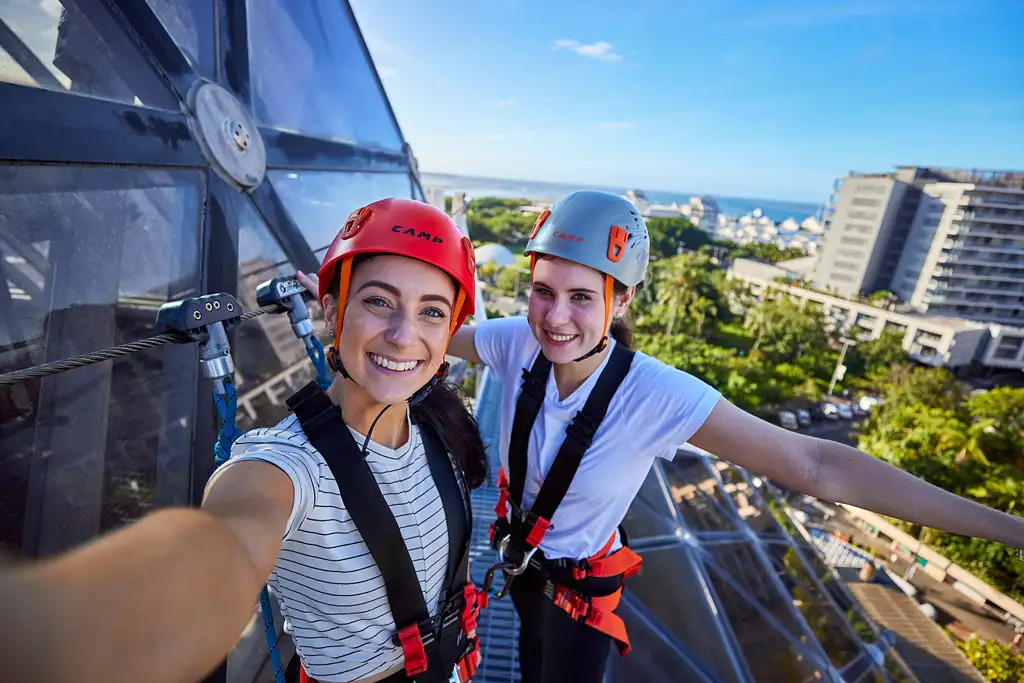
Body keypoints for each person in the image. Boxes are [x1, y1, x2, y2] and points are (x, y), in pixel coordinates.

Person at [434, 190, 1023, 683]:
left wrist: (1009, 531)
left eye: (583, 297)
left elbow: (817, 465)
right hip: (519, 563)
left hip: (578, 595)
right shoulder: (514, 342)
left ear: (622, 300)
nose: (555, 318)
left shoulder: (655, 395)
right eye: (543, 291)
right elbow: (427, 338)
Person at [0, 198, 488, 683]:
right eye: (379, 301)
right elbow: (229, 539)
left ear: (449, 332)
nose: (404, 336)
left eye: (431, 312)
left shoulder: (436, 423)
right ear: (334, 310)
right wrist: (57, 629)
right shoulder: (289, 466)